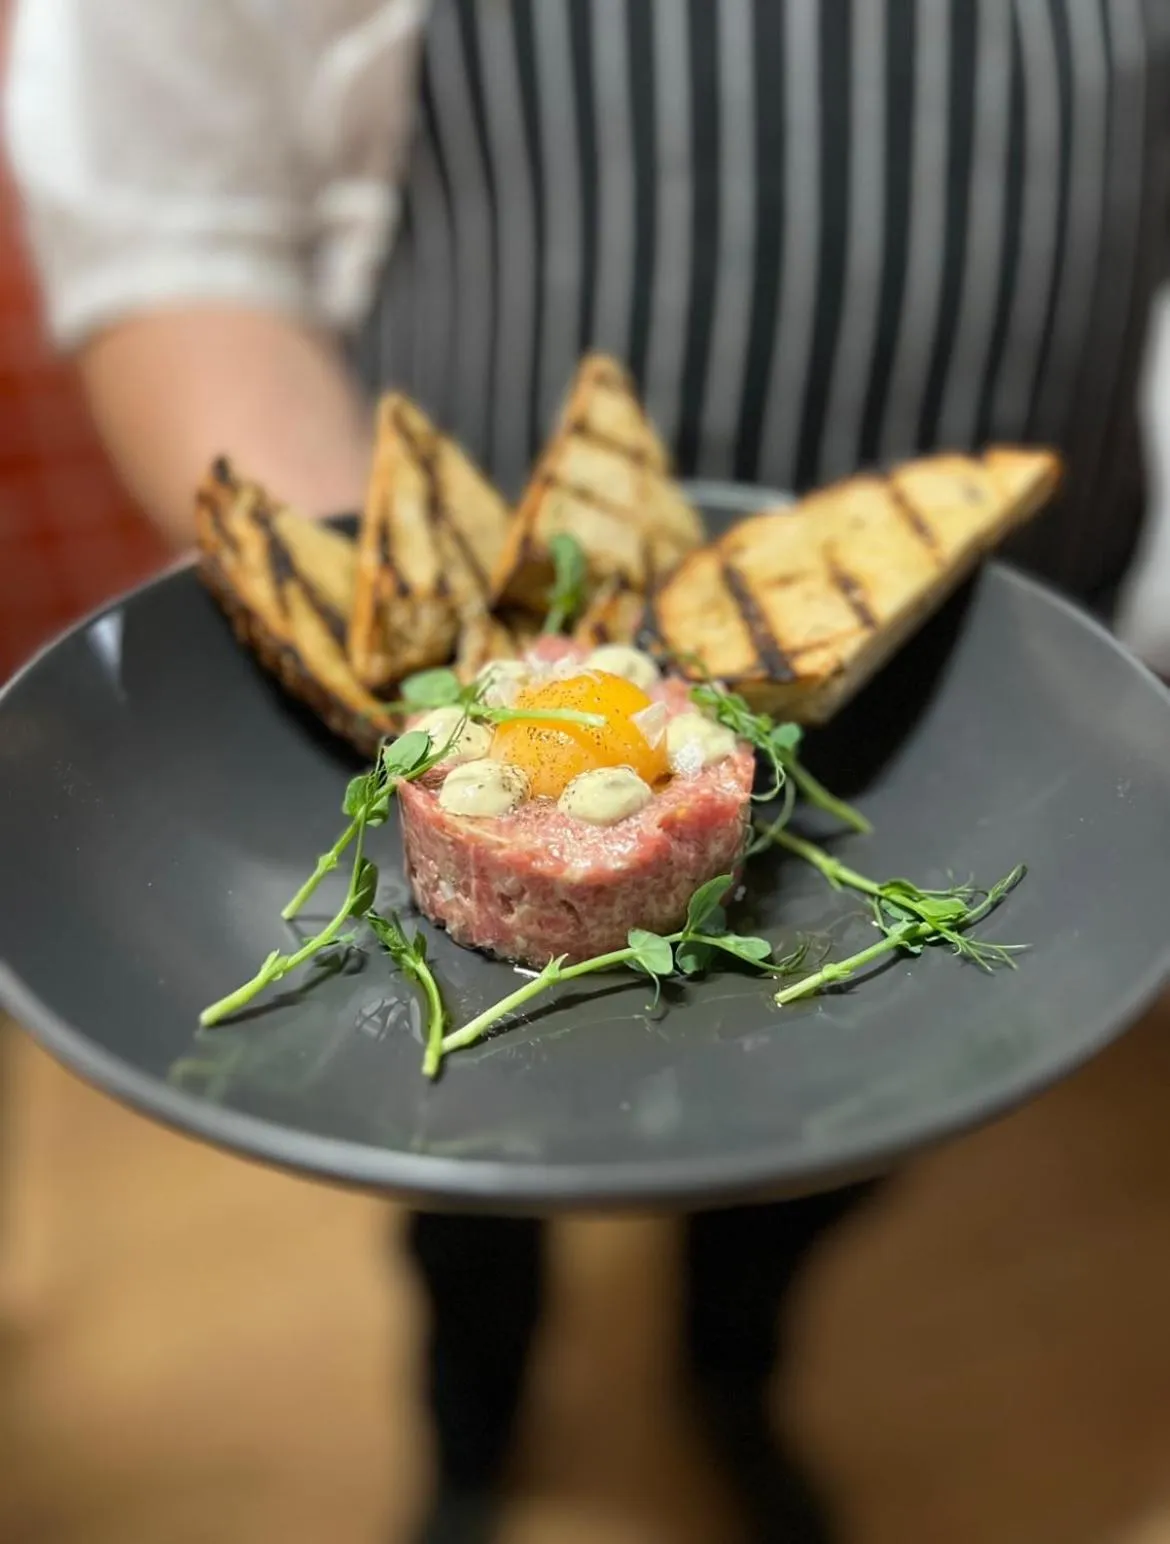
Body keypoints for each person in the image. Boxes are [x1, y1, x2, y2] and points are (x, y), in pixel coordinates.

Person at [6, 4, 1170, 1541]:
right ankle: (474, 1440)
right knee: (460, 1190)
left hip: (967, 682)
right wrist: (383, 620)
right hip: (480, 566)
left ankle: (732, 1382)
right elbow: (173, 227)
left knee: (830, 1154)